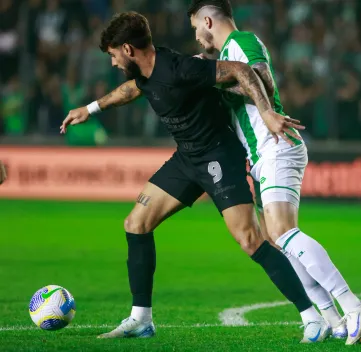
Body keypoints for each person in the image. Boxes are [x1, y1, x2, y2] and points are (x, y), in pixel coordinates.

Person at [60, 11, 330, 342]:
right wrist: (91, 109)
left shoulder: (180, 68)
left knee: (249, 239)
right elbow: (133, 89)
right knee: (135, 224)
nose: (114, 63)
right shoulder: (146, 74)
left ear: (128, 50)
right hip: (187, 160)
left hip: (219, 157)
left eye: (114, 55)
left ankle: (312, 317)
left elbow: (241, 70)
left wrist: (266, 111)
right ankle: (141, 319)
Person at [188, 0, 361, 345]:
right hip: (263, 154)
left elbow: (263, 82)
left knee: (283, 232)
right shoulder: (228, 54)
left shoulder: (242, 43)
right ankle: (332, 318)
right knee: (279, 241)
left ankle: (351, 304)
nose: (197, 38)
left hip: (276, 145)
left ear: (209, 21)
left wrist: (211, 81)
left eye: (196, 28)